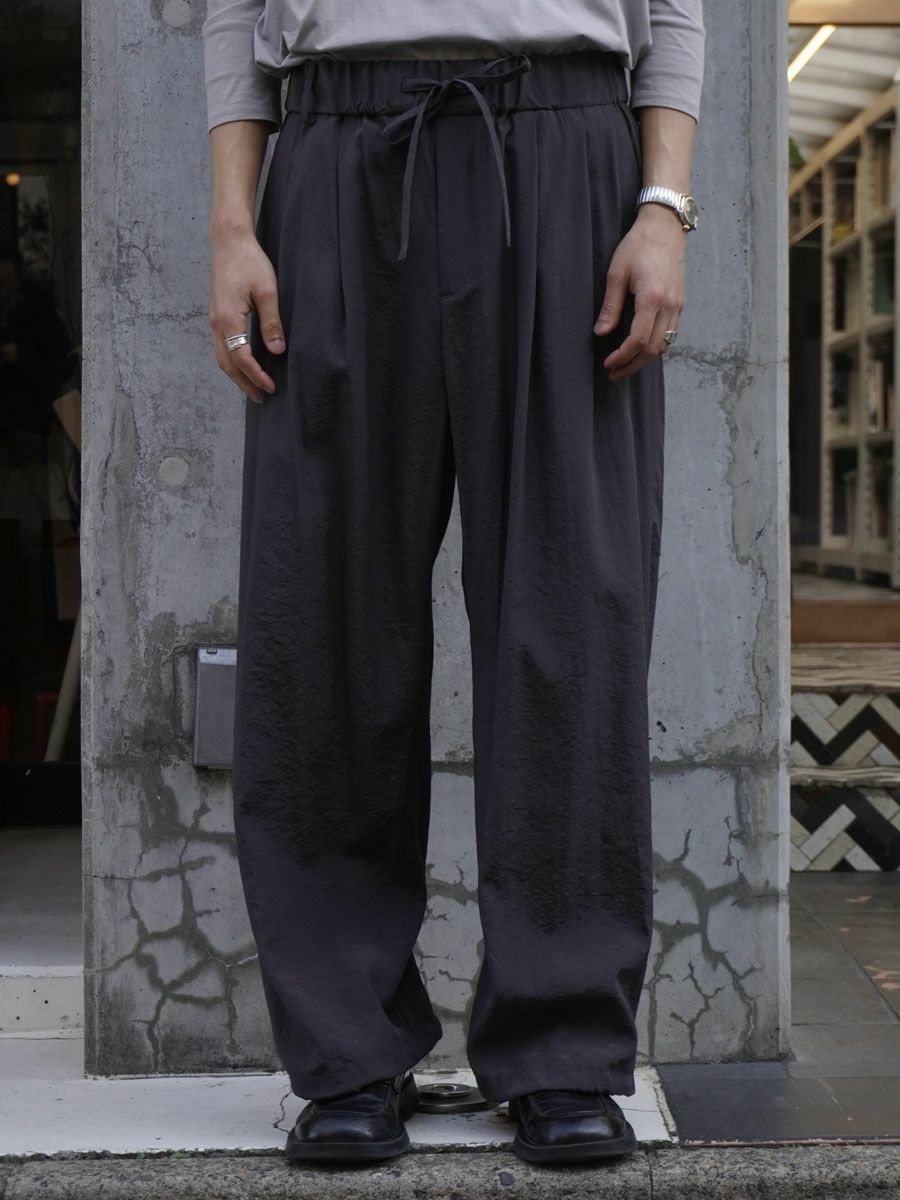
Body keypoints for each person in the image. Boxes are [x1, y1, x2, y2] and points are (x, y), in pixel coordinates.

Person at [201, 0, 704, 1167]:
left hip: (569, 152)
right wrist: (233, 223)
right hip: (333, 156)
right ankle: (346, 1052)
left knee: (571, 615)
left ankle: (563, 1048)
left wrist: (662, 205)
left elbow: (677, 9)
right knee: (322, 611)